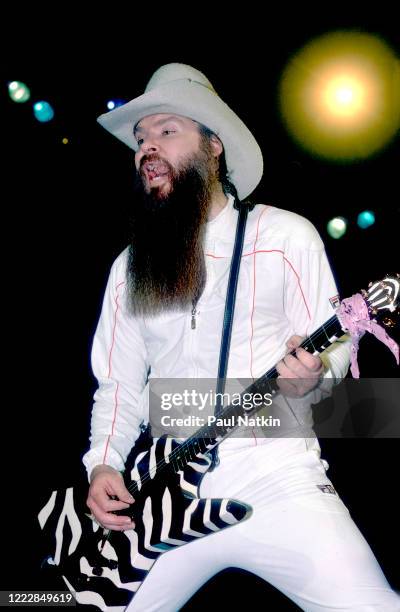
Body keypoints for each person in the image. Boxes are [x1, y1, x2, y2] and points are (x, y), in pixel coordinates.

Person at [83, 64, 399, 611]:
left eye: (166, 131)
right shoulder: (130, 267)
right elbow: (118, 383)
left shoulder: (285, 235)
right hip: (164, 494)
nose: (146, 149)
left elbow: (337, 348)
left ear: (213, 147)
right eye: (140, 139)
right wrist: (103, 463)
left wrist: (313, 380)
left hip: (277, 479)